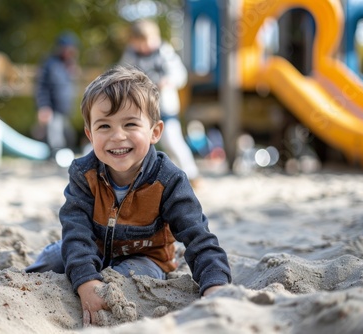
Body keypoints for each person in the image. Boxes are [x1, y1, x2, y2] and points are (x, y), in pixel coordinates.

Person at [25, 66, 231, 326]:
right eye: (104, 126)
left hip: (147, 256)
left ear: (155, 132)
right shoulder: (83, 173)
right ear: (90, 134)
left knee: (127, 280)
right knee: (55, 258)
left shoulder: (168, 179)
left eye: (130, 124)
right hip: (95, 247)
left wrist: (215, 284)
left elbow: (199, 238)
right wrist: (86, 280)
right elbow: (76, 231)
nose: (117, 136)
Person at [119, 19, 201, 186]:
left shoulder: (164, 52)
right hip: (141, 108)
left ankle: (192, 174)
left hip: (164, 105)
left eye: (147, 42)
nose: (144, 47)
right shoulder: (131, 55)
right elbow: (123, 72)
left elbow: (180, 74)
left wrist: (168, 80)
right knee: (139, 142)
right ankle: (137, 178)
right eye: (139, 43)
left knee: (172, 140)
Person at [33, 31, 79, 153]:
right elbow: (41, 87)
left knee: (67, 136)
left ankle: (61, 157)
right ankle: (55, 158)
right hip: (52, 108)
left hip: (65, 109)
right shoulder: (50, 64)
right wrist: (43, 106)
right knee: (55, 138)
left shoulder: (69, 65)